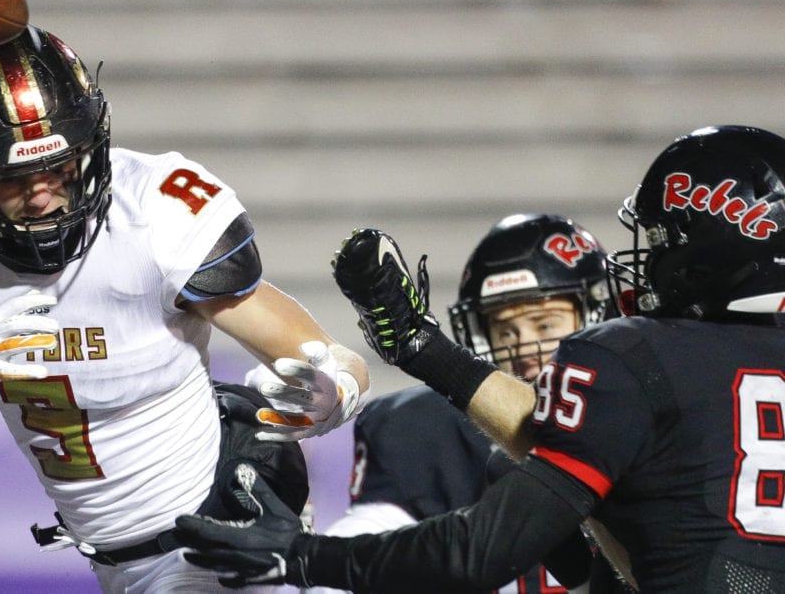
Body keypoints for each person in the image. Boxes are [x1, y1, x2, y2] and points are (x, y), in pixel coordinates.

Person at [0, 25, 370, 593]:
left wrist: (329, 393)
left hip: (221, 532)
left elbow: (337, 361)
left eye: (59, 166)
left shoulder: (156, 214)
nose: (41, 193)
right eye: (10, 177)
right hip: (116, 565)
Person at [174, 124, 785, 592]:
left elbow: (481, 553)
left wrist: (304, 556)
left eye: (656, 240)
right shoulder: (425, 428)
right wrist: (425, 350)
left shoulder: (633, 356)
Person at [306, 213, 614, 594]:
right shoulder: (427, 425)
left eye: (545, 325)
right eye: (505, 330)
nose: (524, 348)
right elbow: (374, 530)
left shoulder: (640, 412)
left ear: (598, 314)